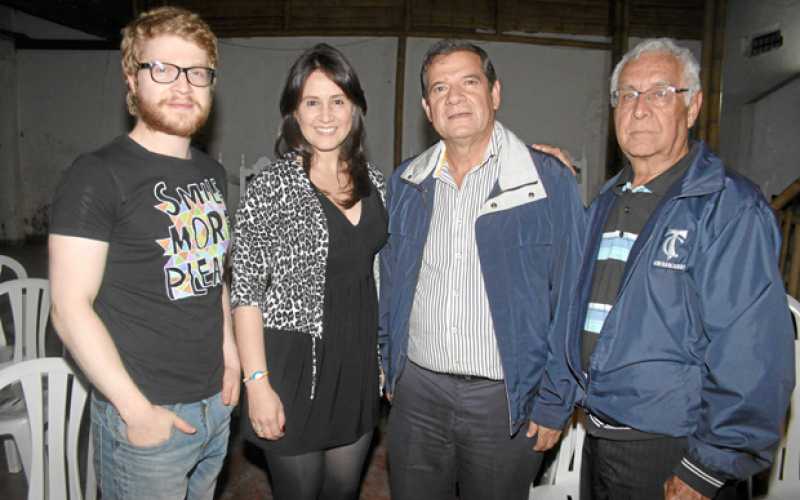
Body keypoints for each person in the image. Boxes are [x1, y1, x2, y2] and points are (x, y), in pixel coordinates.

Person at [538, 38, 796, 500]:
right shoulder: (607, 202)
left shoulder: (725, 208)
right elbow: (573, 313)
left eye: (659, 93)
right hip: (602, 435)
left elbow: (752, 348)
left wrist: (708, 467)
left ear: (692, 106)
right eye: (627, 95)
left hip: (674, 448)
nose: (639, 109)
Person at [378, 39, 586, 500]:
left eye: (468, 82)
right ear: (427, 109)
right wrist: (390, 365)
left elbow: (572, 295)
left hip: (504, 403)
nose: (454, 97)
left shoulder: (545, 181)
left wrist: (555, 400)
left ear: (495, 93)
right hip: (418, 395)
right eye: (439, 88)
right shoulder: (407, 183)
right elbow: (389, 282)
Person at [48, 6, 239, 499]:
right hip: (147, 419)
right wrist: (135, 410)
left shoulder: (211, 173)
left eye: (197, 72)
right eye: (163, 69)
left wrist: (231, 358)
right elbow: (69, 309)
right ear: (132, 80)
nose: (183, 85)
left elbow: (212, 276)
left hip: (214, 406)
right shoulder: (96, 174)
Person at [230, 43, 387, 500]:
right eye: (312, 102)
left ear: (355, 108)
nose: (326, 115)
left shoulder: (376, 183)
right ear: (294, 112)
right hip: (294, 369)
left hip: (357, 367)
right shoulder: (272, 187)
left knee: (343, 490)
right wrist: (257, 384)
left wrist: (380, 358)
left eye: (338, 100)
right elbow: (246, 292)